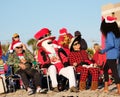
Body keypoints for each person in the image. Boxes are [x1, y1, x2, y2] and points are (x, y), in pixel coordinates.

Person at [34, 28, 78, 92]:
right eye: (49, 43)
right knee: (52, 67)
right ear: (43, 42)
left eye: (51, 42)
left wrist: (65, 62)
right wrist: (47, 62)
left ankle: (72, 86)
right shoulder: (41, 51)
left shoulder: (56, 49)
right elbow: (42, 62)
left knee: (70, 68)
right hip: (49, 69)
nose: (51, 44)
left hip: (60, 68)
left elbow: (64, 57)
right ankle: (54, 86)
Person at [100, 16, 120, 94]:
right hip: (116, 54)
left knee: (114, 72)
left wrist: (103, 50)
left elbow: (111, 44)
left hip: (111, 55)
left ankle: (119, 90)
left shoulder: (109, 33)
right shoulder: (118, 33)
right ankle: (106, 87)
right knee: (105, 69)